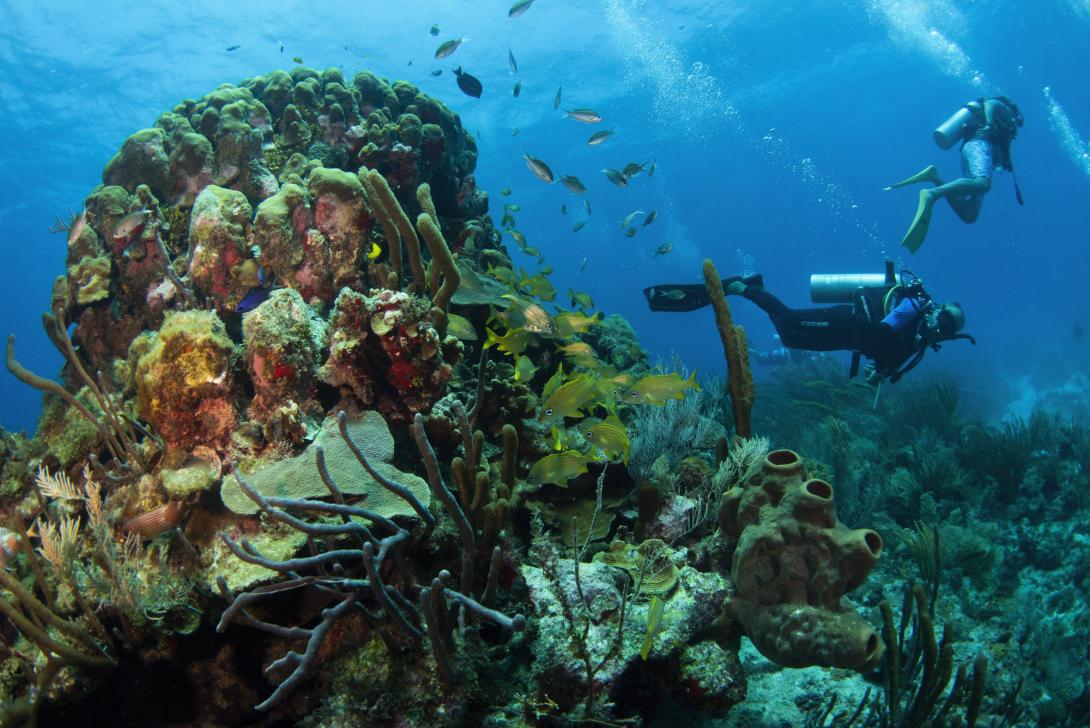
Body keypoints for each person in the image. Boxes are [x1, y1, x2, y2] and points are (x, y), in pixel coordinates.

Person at [643, 271, 974, 385]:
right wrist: (888, 356)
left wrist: (881, 370)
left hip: (847, 339)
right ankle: (743, 287)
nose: (942, 327)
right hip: (847, 321)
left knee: (788, 337)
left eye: (949, 328)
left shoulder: (920, 341)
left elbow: (888, 360)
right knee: (786, 321)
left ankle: (750, 288)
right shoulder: (916, 306)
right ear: (939, 308)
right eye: (945, 318)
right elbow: (885, 330)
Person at [887, 96, 1024, 253]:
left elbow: (999, 154)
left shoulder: (1004, 134)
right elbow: (990, 104)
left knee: (969, 214)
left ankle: (934, 177)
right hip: (978, 146)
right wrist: (989, 124)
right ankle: (932, 194)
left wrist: (1001, 162)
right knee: (982, 183)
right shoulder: (1003, 108)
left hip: (978, 153)